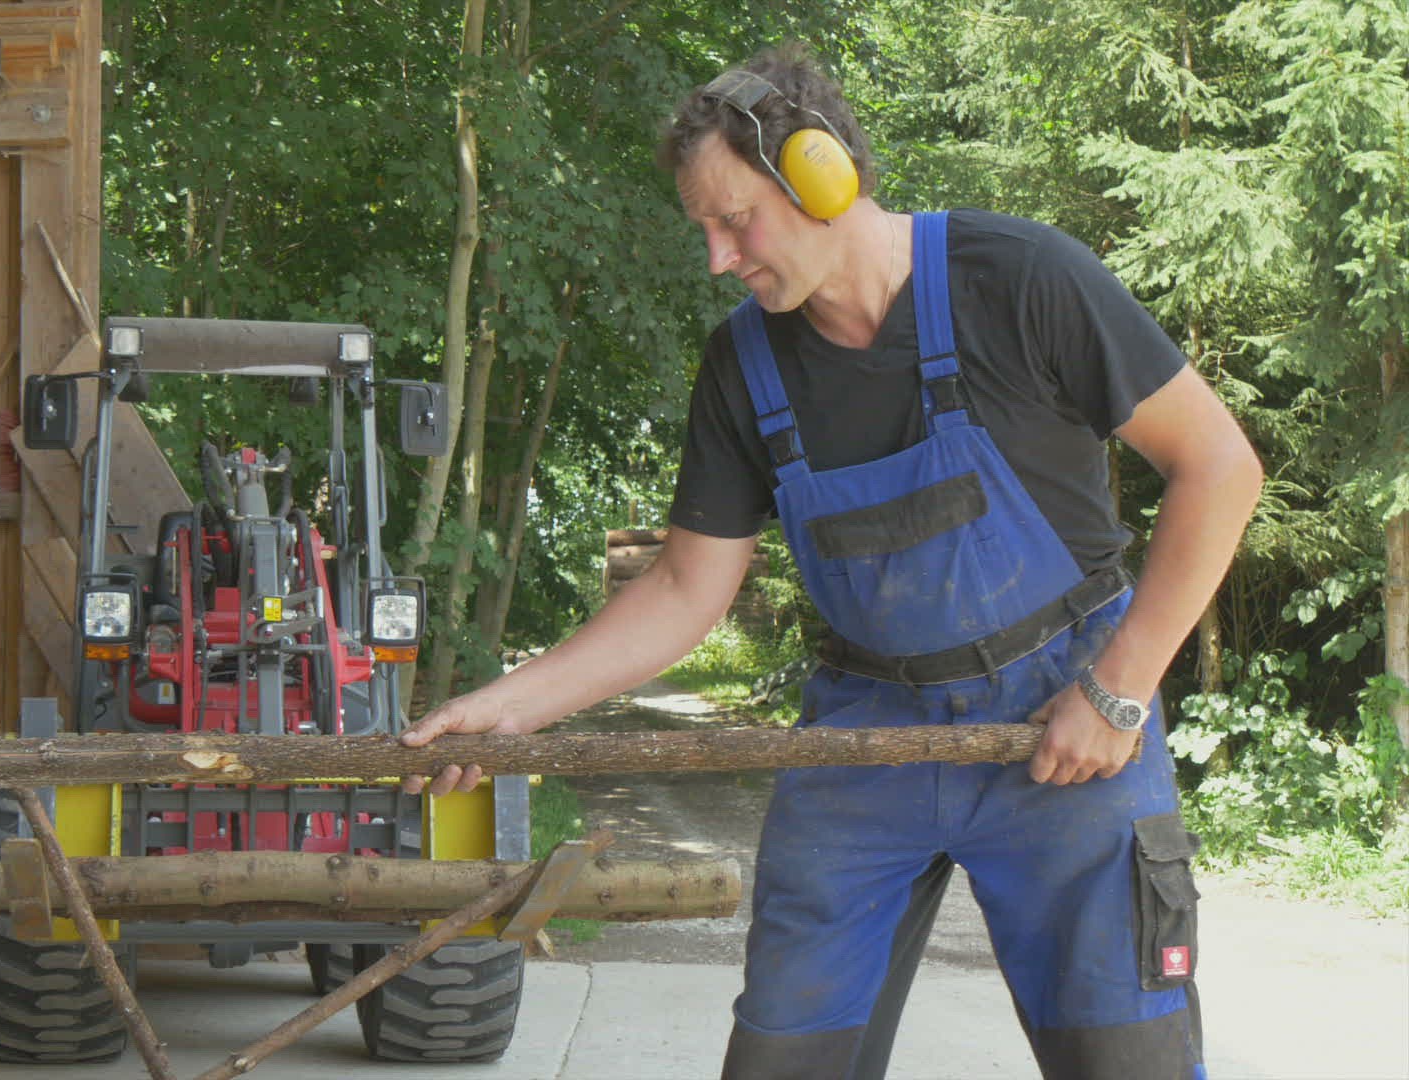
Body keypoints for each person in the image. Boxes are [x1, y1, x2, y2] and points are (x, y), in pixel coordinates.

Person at [397, 41, 1263, 1080]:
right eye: (703, 231)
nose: (718, 259)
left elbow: (1220, 468)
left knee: (1128, 1058)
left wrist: (1118, 690)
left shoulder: (1020, 278)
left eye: (735, 220)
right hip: (865, 738)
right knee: (785, 1058)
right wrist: (511, 708)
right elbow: (683, 588)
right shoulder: (743, 364)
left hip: (1066, 722)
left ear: (823, 174)